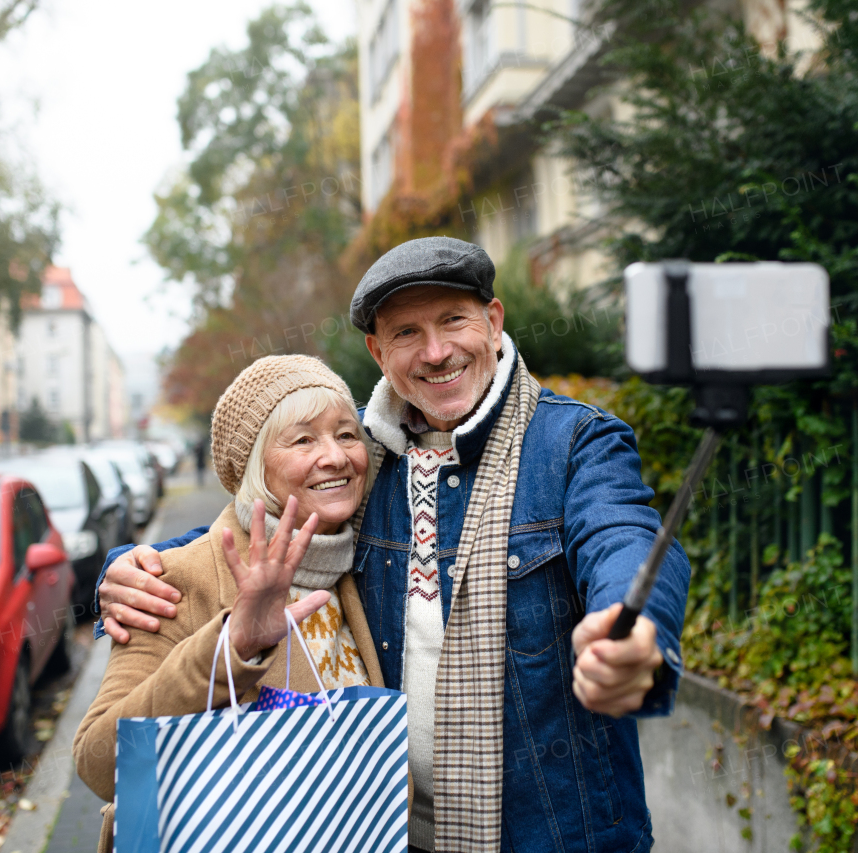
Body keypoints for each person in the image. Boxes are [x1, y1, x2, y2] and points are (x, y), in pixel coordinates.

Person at [93, 236, 692, 852]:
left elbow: (627, 537)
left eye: (453, 320)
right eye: (406, 333)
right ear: (379, 353)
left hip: (560, 835)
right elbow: (261, 515)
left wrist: (634, 621)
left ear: (492, 321)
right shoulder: (362, 452)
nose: (436, 353)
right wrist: (129, 567)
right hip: (389, 833)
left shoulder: (574, 444)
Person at [72, 355, 385, 853]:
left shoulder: (361, 558)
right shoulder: (173, 578)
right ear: (254, 464)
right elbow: (97, 763)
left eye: (347, 434)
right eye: (303, 439)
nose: (335, 456)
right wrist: (230, 648)